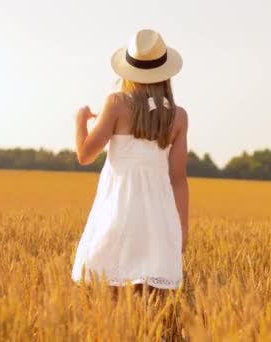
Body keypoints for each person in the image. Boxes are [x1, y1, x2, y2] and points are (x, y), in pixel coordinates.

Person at [71, 29, 188, 296]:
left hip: (119, 209)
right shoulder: (179, 117)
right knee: (151, 296)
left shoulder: (116, 104)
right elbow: (178, 178)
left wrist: (80, 120)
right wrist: (182, 227)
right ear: (165, 72)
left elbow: (85, 154)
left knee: (108, 288)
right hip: (159, 216)